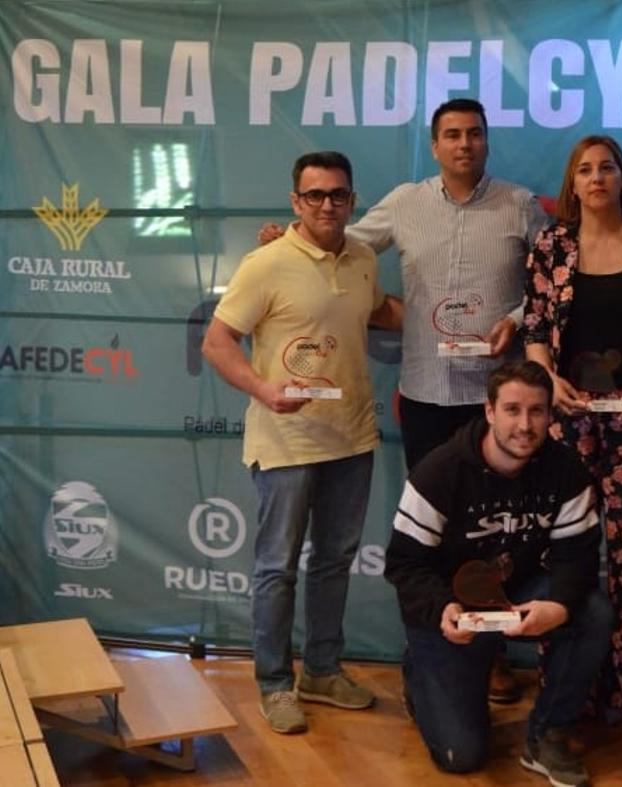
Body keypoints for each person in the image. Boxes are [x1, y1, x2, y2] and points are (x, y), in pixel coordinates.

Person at [260, 97, 547, 702]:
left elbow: (553, 280)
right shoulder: (403, 203)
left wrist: (519, 318)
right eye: (452, 135)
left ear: (487, 141)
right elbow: (335, 242)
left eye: (474, 133)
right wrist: (284, 239)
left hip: (497, 403)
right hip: (425, 396)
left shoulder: (519, 205)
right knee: (433, 532)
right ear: (434, 145)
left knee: (496, 535)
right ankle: (438, 648)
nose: (464, 144)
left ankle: (491, 655)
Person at [202, 151, 404, 734]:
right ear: (296, 201)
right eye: (314, 194)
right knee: (277, 568)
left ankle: (320, 670)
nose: (326, 205)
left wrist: (450, 324)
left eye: (337, 194)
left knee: (334, 561)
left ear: (352, 200)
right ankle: (273, 683)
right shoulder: (266, 263)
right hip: (286, 442)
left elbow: (379, 310)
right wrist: (263, 389)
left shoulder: (361, 257)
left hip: (352, 438)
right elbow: (217, 342)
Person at [384, 360, 612, 787]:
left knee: (593, 612)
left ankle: (548, 734)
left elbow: (578, 556)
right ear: (489, 411)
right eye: (512, 410)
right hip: (452, 608)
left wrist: (559, 606)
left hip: (518, 593)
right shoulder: (439, 472)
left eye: (536, 411)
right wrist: (440, 609)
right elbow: (404, 563)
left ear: (549, 414)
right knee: (461, 755)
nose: (524, 425)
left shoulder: (567, 472)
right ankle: (420, 671)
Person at [523, 134, 622, 723]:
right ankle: (568, 683)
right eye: (586, 169)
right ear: (573, 182)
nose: (597, 178)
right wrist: (547, 379)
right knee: (564, 553)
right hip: (567, 423)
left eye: (607, 168)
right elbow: (534, 326)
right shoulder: (552, 246)